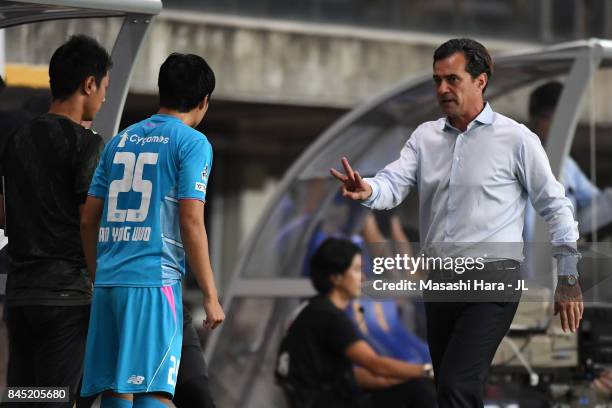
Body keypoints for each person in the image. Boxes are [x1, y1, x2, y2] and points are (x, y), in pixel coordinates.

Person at [330, 38, 583, 407]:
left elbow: (557, 207)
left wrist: (569, 277)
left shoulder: (517, 140)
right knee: (449, 387)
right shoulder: (425, 138)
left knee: (457, 385)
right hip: (440, 283)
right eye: (436, 80)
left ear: (480, 81)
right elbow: (393, 184)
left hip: (492, 281)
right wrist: (367, 188)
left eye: (452, 79)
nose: (442, 89)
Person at [79, 52, 225, 408]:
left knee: (116, 387)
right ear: (204, 101)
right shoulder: (193, 143)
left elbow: (87, 219)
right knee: (154, 389)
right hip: (154, 283)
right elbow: (191, 221)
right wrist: (210, 296)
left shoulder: (119, 141)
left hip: (110, 283)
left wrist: (100, 276)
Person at [0, 35, 110, 406]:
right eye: (104, 87)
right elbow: (87, 221)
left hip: (20, 296)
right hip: (66, 299)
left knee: (24, 398)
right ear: (88, 84)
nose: (105, 98)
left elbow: (4, 212)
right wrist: (99, 281)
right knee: (59, 399)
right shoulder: (86, 144)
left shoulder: (17, 139)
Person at [276, 237, 436, 408]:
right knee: (419, 390)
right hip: (324, 402)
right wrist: (427, 371)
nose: (363, 277)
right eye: (357, 270)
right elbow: (375, 364)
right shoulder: (330, 317)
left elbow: (357, 375)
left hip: (316, 399)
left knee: (410, 386)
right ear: (336, 277)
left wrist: (402, 377)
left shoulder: (313, 309)